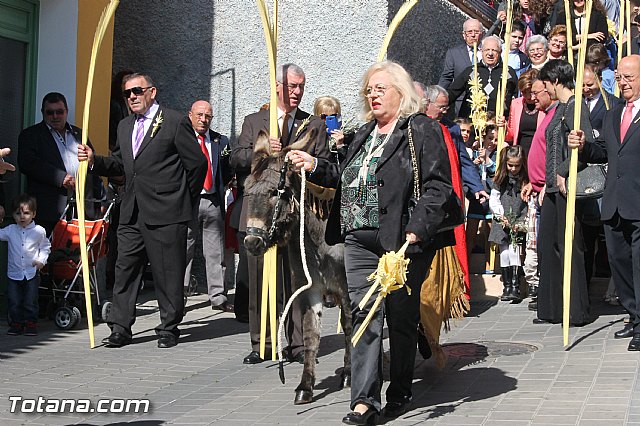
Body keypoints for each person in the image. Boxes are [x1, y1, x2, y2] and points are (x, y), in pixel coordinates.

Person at [289, 60, 455, 425]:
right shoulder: (364, 133)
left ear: (401, 92)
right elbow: (344, 176)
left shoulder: (421, 129)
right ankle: (363, 401)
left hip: (401, 240)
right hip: (358, 241)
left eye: (380, 88)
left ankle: (399, 390)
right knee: (364, 316)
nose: (372, 94)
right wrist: (312, 164)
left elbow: (438, 186)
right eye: (369, 89)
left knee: (400, 315)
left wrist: (416, 229)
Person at [77, 73, 208, 348]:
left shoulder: (173, 121)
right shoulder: (125, 126)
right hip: (131, 210)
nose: (132, 97)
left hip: (167, 211)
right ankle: (120, 327)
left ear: (152, 92)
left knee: (167, 272)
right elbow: (121, 165)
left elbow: (196, 164)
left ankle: (169, 327)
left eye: (137, 91)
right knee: (124, 269)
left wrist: (182, 199)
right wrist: (94, 161)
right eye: (127, 93)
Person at [230, 63, 331, 364]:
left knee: (298, 279)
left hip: (295, 215)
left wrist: (308, 161)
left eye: (301, 86)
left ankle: (299, 345)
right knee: (259, 279)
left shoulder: (313, 124)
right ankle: (261, 343)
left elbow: (324, 165)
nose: (297, 92)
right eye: (291, 87)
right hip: (259, 214)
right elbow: (236, 158)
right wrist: (259, 153)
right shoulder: (254, 120)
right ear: (277, 87)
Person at [569, 54, 640, 350]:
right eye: (620, 77)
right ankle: (634, 317)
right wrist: (583, 146)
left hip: (638, 202)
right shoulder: (613, 114)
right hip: (613, 204)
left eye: (630, 77)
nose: (622, 82)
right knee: (620, 263)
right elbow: (604, 153)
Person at [534, 59, 593, 326]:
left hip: (565, 187)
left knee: (569, 246)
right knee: (548, 244)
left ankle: (576, 310)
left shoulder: (575, 106)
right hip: (551, 188)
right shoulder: (559, 109)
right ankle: (551, 307)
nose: (546, 89)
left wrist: (564, 170)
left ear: (556, 81)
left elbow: (584, 144)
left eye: (546, 83)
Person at [17, 92, 104, 235]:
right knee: (48, 255)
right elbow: (28, 163)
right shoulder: (31, 135)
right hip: (49, 211)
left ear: (66, 111)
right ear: (43, 113)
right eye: (50, 112)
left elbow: (92, 167)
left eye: (59, 111)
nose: (55, 116)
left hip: (82, 210)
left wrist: (100, 200)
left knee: (78, 256)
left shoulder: (79, 134)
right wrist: (61, 178)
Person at [184, 100, 233, 312]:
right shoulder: (182, 140)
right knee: (184, 249)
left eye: (208, 117)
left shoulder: (220, 141)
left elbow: (227, 169)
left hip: (213, 200)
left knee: (216, 253)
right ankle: (179, 296)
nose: (203, 120)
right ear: (190, 115)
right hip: (189, 201)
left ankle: (218, 296)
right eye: (200, 115)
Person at [523, 76, 558, 311]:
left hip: (548, 190)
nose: (533, 97)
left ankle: (548, 295)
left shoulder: (556, 114)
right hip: (536, 189)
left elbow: (555, 154)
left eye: (537, 92)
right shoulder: (544, 115)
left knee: (547, 247)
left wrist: (547, 182)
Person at [1, 194, 51, 336]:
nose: (22, 216)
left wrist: (41, 260)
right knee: (14, 300)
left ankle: (30, 323)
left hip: (31, 272)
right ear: (13, 215)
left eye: (26, 213)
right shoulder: (10, 230)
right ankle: (16, 323)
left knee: (30, 300)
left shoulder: (39, 231)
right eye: (18, 213)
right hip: (14, 273)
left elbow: (45, 247)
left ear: (34, 214)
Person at [489, 146, 529, 302]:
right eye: (510, 165)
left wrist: (521, 219)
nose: (513, 169)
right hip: (503, 219)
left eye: (517, 165)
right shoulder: (500, 179)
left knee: (515, 249)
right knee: (504, 251)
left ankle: (515, 285)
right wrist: (501, 215)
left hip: (518, 218)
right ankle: (507, 286)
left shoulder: (525, 179)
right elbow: (494, 199)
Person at [447, 35, 519, 119]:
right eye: (487, 50)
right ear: (481, 51)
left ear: (500, 52)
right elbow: (453, 92)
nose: (490, 53)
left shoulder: (508, 72)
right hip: (472, 122)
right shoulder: (471, 71)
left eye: (494, 50)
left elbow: (515, 99)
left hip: (497, 125)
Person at [438, 18, 485, 117]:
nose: (473, 35)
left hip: (483, 101)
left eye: (476, 32)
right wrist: (438, 96)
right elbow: (447, 77)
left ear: (482, 33)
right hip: (460, 102)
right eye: (469, 32)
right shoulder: (454, 53)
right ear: (464, 35)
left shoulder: (488, 53)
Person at [499, 69, 546, 155]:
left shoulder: (544, 105)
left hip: (539, 151)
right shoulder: (516, 104)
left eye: (532, 93)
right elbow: (511, 135)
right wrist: (504, 126)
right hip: (520, 153)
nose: (529, 97)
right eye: (525, 93)